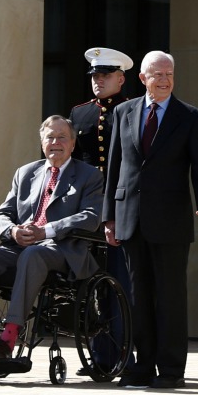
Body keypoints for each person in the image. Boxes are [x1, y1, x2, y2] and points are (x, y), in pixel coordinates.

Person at [104, 50, 198, 389]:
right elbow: (115, 168)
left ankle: (171, 370)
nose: (165, 79)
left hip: (171, 221)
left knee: (170, 297)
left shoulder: (190, 116)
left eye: (169, 73)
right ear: (143, 79)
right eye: (157, 74)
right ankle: (141, 367)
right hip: (130, 219)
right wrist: (109, 217)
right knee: (138, 297)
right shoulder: (123, 112)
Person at [0, 115, 104, 361]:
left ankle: (8, 340)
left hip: (61, 251)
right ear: (42, 142)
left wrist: (47, 230)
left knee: (33, 254)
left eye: (62, 137)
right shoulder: (26, 173)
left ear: (73, 144)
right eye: (50, 137)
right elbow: (1, 215)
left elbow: (91, 217)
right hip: (20, 248)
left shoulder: (89, 175)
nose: (55, 142)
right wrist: (12, 231)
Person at [68, 47, 134, 375]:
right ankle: (99, 355)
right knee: (91, 281)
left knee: (120, 280)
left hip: (122, 207)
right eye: (95, 76)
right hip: (90, 207)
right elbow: (75, 163)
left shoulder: (132, 110)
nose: (99, 81)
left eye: (105, 76)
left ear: (121, 79)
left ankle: (123, 355)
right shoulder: (79, 114)